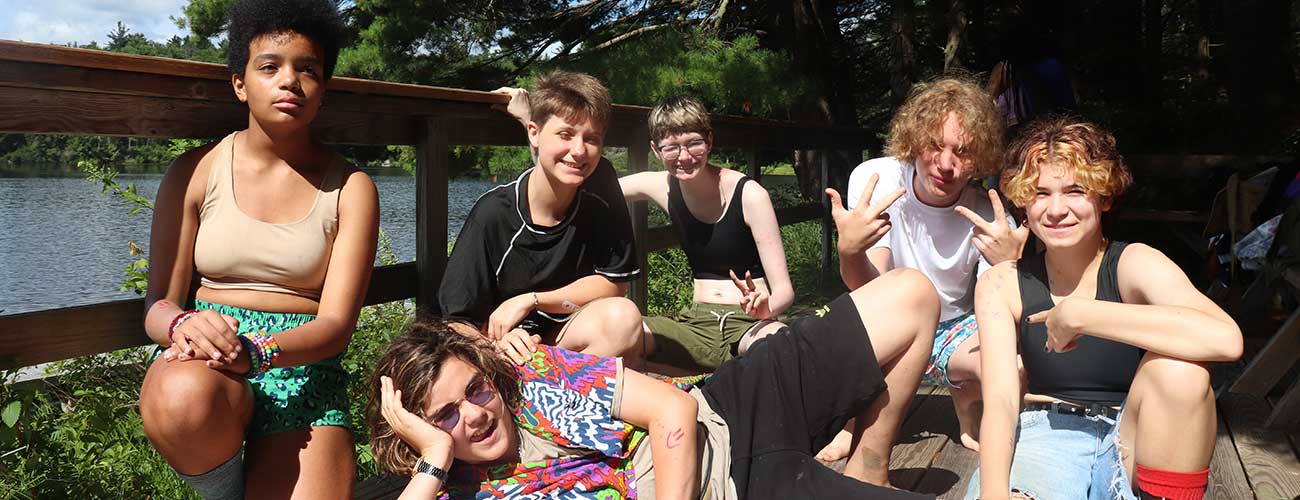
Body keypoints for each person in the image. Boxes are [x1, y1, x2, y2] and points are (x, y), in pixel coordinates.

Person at [367, 266, 939, 500]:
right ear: (414, 434)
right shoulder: (460, 490)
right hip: (745, 488)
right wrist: (436, 458)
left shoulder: (534, 375)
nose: (474, 415)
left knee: (911, 293)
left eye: (475, 390)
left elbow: (673, 411)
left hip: (727, 408)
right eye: (443, 417)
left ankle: (869, 461)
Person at [137, 1, 378, 499]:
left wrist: (259, 352)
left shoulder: (350, 187)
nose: (289, 80)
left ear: (323, 90)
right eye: (269, 67)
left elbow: (336, 327)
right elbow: (157, 304)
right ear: (240, 83)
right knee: (179, 397)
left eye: (307, 69)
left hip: (302, 366)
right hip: (210, 357)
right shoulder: (195, 171)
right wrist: (183, 324)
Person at [967, 116, 1242, 500]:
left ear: (1105, 195)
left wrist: (1084, 315)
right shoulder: (1001, 284)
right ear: (1023, 203)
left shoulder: (1134, 263)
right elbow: (999, 401)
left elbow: (1226, 340)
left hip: (1137, 437)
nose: (1057, 209)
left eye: (1076, 190)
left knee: (1183, 372)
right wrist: (993, 494)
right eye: (1041, 193)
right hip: (1047, 435)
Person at [821, 77, 1023, 475]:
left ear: (980, 156)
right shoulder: (876, 179)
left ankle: (966, 393)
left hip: (955, 330)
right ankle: (851, 421)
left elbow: (997, 316)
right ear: (912, 139)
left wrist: (1008, 268)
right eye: (934, 145)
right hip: (891, 324)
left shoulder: (989, 213)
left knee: (1014, 366)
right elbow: (870, 289)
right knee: (850, 321)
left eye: (962, 152)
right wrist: (849, 251)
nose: (945, 165)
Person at [438, 72, 645, 366]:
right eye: (565, 134)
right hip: (506, 352)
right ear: (533, 133)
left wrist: (530, 299)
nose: (579, 150)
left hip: (565, 337)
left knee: (623, 318)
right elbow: (455, 321)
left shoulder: (600, 184)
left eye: (591, 139)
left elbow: (614, 284)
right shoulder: (494, 213)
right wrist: (493, 344)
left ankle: (563, 400)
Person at [619, 95, 794, 375]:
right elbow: (583, 186)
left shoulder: (749, 195)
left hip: (751, 322)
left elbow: (785, 290)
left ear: (709, 141)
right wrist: (535, 130)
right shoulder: (660, 187)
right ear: (656, 150)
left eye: (694, 143)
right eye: (671, 148)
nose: (685, 157)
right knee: (616, 332)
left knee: (781, 348)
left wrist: (767, 307)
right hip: (695, 322)